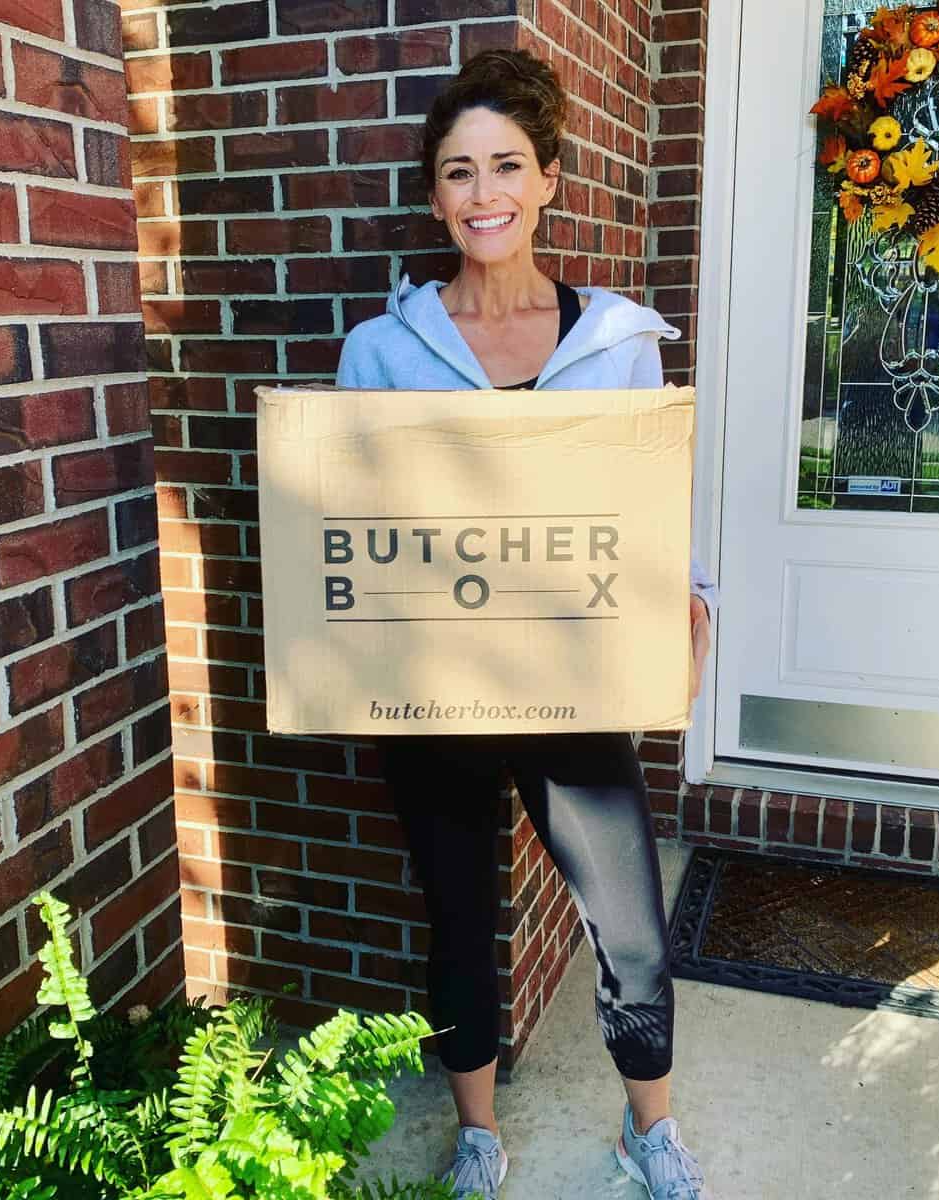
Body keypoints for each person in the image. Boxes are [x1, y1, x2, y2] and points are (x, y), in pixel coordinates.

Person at [335, 48, 716, 1200]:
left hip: (574, 684)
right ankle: (477, 1136)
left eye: (507, 165)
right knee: (459, 920)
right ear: (435, 194)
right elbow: (352, 524)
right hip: (435, 687)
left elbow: (650, 511)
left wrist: (688, 615)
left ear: (549, 178)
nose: (483, 193)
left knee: (631, 927)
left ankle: (648, 1130)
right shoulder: (381, 351)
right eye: (458, 172)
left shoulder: (617, 343)